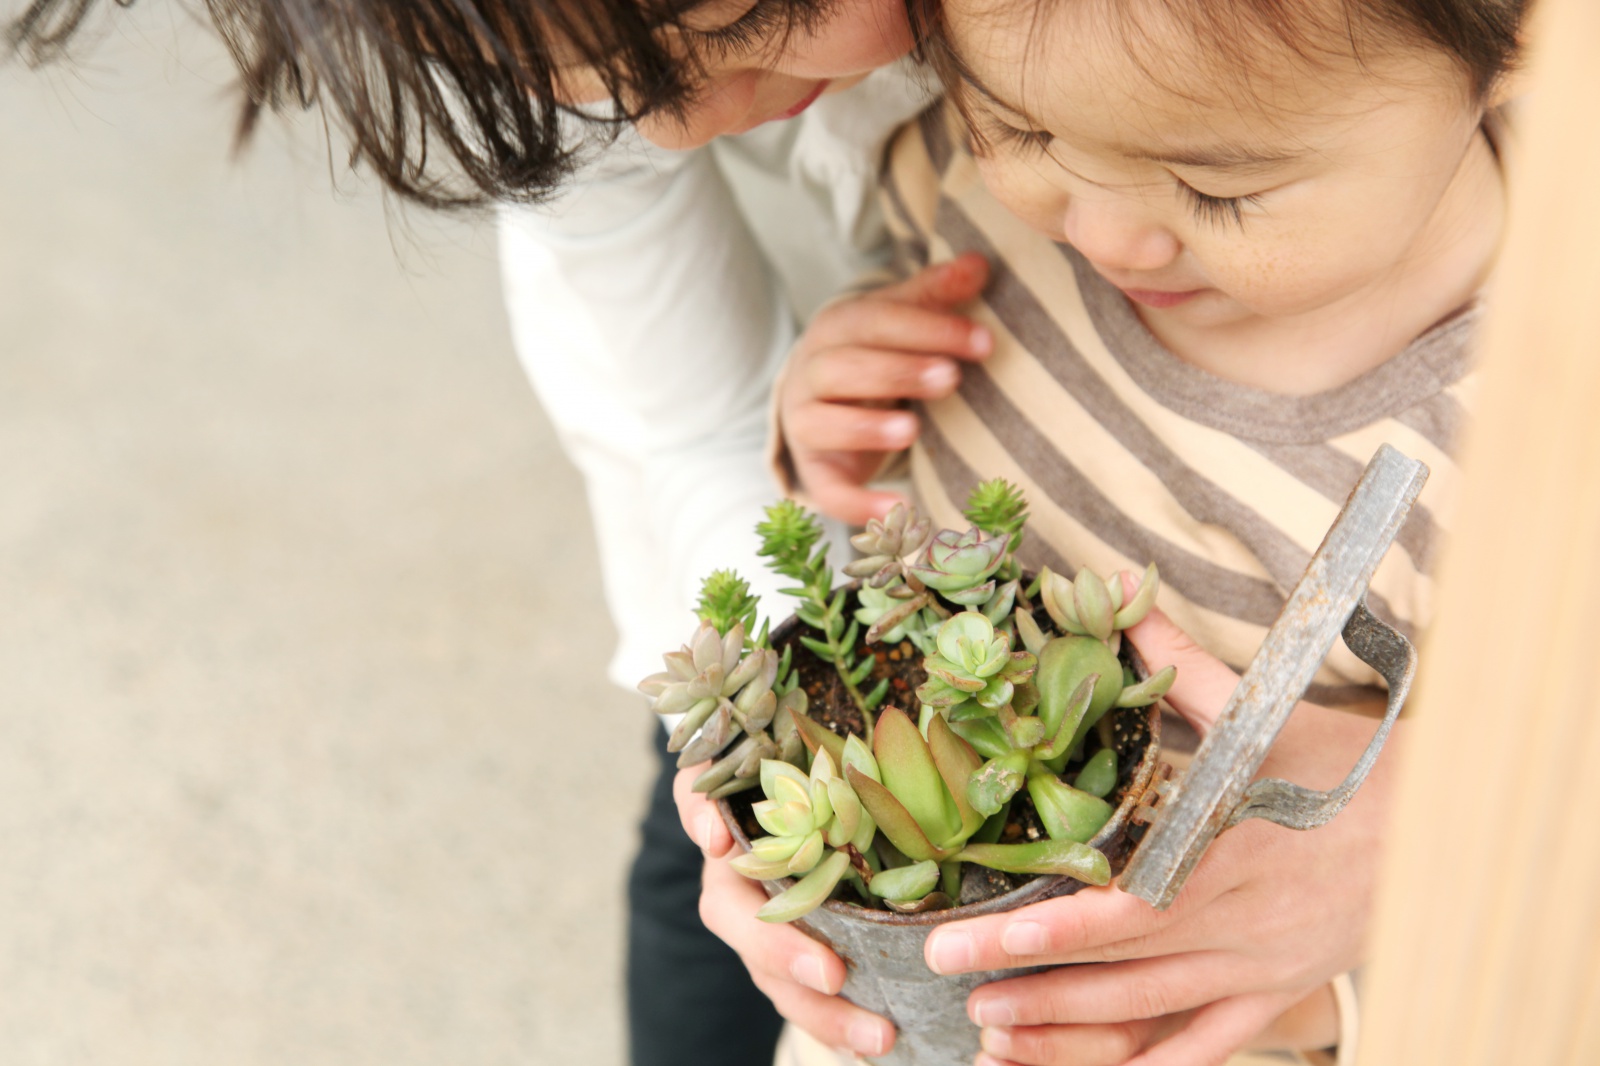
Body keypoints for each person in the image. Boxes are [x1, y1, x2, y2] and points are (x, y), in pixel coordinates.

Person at [5, 0, 964, 1063]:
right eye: (605, 84)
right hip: (800, 430)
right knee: (706, 836)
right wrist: (768, 718)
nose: (674, 126)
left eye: (738, 16)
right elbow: (703, 422)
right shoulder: (506, 34)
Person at [678, 0, 1525, 1062]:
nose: (1100, 233)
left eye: (1219, 190)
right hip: (890, 993)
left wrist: (1310, 1007)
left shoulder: (1525, 464)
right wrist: (832, 395)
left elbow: (1530, 874)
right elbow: (901, 303)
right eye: (1021, 130)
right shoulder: (968, 182)